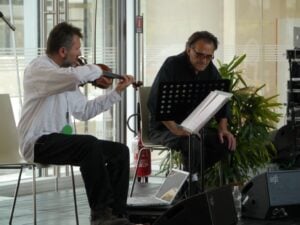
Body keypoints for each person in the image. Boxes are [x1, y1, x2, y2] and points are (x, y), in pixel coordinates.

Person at [18, 22, 139, 225]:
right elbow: (73, 76)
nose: (79, 53)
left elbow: (84, 112)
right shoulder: (40, 69)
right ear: (63, 51)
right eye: (77, 49)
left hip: (60, 141)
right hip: (38, 143)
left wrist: (116, 92)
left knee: (119, 151)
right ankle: (100, 214)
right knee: (88, 145)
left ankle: (117, 215)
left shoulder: (67, 77)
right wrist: (92, 69)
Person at [147, 31, 237, 195]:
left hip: (194, 128)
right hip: (164, 128)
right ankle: (191, 188)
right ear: (188, 49)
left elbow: (221, 100)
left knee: (225, 144)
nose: (203, 60)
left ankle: (180, 184)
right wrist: (175, 129)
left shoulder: (209, 68)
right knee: (191, 142)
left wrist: (223, 128)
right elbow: (154, 101)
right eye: (199, 54)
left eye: (208, 56)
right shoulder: (172, 64)